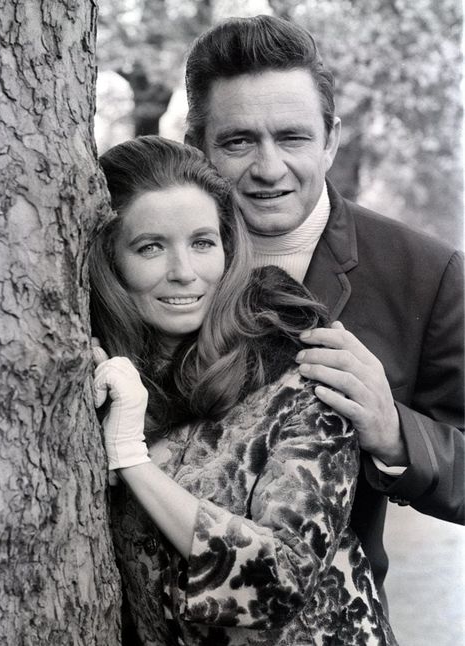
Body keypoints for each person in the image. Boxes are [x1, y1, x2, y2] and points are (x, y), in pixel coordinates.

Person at [183, 14, 465, 601]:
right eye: (238, 141)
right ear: (197, 148)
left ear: (331, 138)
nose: (268, 168)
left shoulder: (425, 275)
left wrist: (395, 434)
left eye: (292, 137)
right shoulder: (143, 257)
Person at [89, 135, 398, 645]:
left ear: (228, 248)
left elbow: (280, 582)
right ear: (111, 262)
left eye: (202, 242)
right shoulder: (107, 378)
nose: (184, 272)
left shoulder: (300, 374)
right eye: (150, 247)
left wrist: (130, 458)